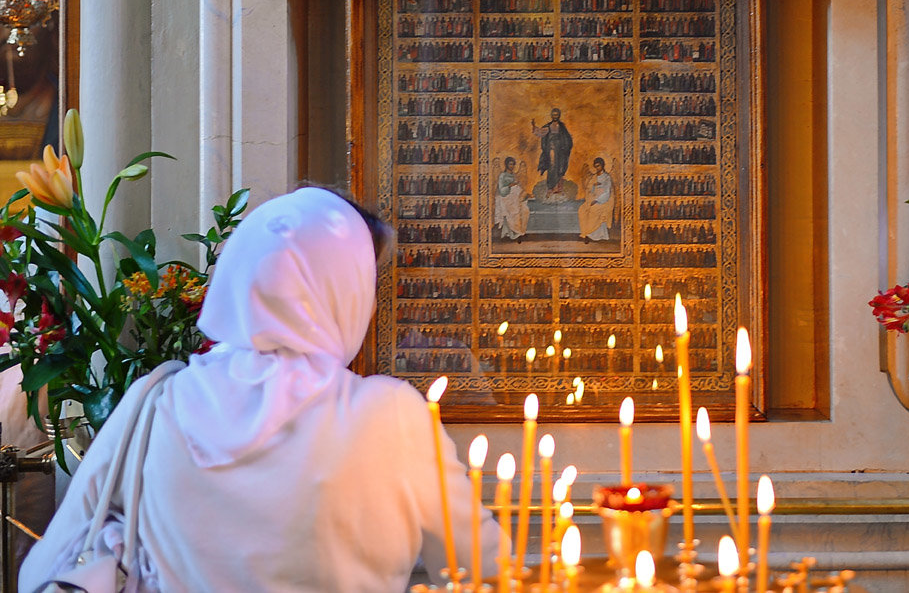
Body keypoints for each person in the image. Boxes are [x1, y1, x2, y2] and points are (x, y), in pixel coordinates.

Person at [20, 187, 500, 592]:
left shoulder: (159, 401)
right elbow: (485, 571)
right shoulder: (390, 414)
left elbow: (42, 571)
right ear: (347, 290)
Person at [531, 108, 573, 197]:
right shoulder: (548, 126)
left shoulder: (562, 127)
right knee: (552, 168)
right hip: (552, 150)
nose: (555, 117)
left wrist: (566, 145)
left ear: (559, 115)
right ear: (551, 116)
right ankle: (550, 189)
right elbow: (540, 133)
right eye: (553, 115)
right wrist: (534, 126)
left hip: (561, 152)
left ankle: (559, 189)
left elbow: (567, 138)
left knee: (560, 169)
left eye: (557, 115)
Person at [578, 157, 614, 242]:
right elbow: (588, 189)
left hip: (603, 200)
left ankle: (590, 235)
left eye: (598, 166)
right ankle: (585, 232)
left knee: (593, 210)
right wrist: (594, 186)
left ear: (602, 165)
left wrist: (597, 200)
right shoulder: (594, 177)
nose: (597, 168)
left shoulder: (607, 177)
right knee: (582, 210)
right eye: (595, 166)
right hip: (592, 199)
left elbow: (607, 191)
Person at [494, 156, 529, 240]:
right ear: (506, 164)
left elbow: (517, 186)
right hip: (505, 197)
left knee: (524, 210)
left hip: (514, 197)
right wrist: (510, 185)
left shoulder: (513, 175)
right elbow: (501, 189)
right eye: (510, 164)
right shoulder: (502, 175)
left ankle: (517, 231)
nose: (512, 166)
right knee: (513, 211)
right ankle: (514, 231)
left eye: (513, 164)